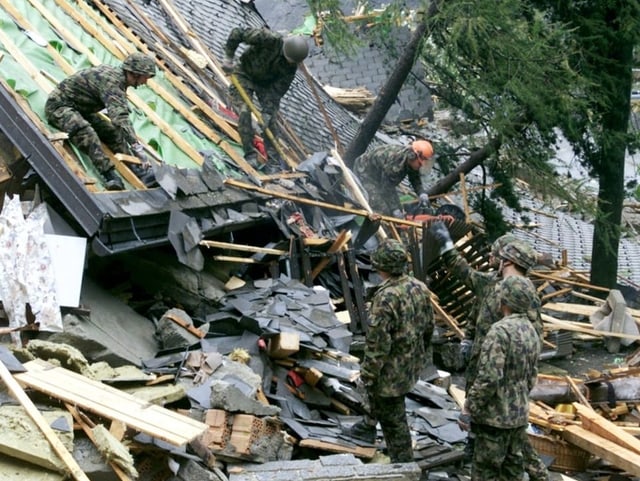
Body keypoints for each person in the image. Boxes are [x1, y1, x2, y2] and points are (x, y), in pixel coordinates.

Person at [430, 224, 550, 480]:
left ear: (507, 260)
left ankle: (535, 472)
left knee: (498, 455)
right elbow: (473, 295)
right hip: (488, 373)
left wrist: (472, 407)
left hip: (500, 382)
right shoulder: (495, 284)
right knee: (503, 454)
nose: (491, 260)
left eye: (496, 256)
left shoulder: (520, 295)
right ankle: (478, 447)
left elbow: (528, 350)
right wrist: (469, 340)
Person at [350, 239, 434, 462]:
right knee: (388, 407)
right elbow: (429, 326)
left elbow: (378, 345)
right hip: (410, 364)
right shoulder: (419, 287)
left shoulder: (386, 297)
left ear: (380, 266)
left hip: (390, 372)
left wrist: (367, 375)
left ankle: (404, 464)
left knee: (394, 421)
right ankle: (368, 426)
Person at [459, 275, 542, 480]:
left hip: (494, 420)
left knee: (484, 473)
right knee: (512, 471)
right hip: (519, 415)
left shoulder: (499, 331)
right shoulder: (531, 331)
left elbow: (489, 377)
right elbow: (532, 375)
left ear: (503, 301)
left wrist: (470, 408)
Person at [45, 52, 157, 191]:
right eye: (145, 77)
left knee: (112, 133)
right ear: (134, 73)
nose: (145, 82)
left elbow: (117, 121)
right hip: (60, 106)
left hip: (82, 109)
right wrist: (136, 146)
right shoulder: (112, 82)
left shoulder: (118, 79)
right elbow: (120, 118)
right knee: (86, 132)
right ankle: (108, 174)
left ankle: (137, 169)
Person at [222, 28, 309, 169]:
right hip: (245, 72)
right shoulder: (269, 39)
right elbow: (237, 33)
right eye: (290, 60)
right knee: (244, 111)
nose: (291, 64)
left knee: (271, 122)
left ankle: (273, 160)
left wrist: (268, 112)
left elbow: (277, 91)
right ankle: (250, 153)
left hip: (266, 85)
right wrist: (228, 57)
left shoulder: (291, 68)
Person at [352, 141, 435, 217]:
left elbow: (415, 178)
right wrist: (394, 209)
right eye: (420, 164)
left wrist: (421, 193)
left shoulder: (411, 161)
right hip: (364, 173)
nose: (420, 166)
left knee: (400, 209)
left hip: (381, 177)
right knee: (383, 209)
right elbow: (386, 188)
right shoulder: (395, 163)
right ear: (412, 156)